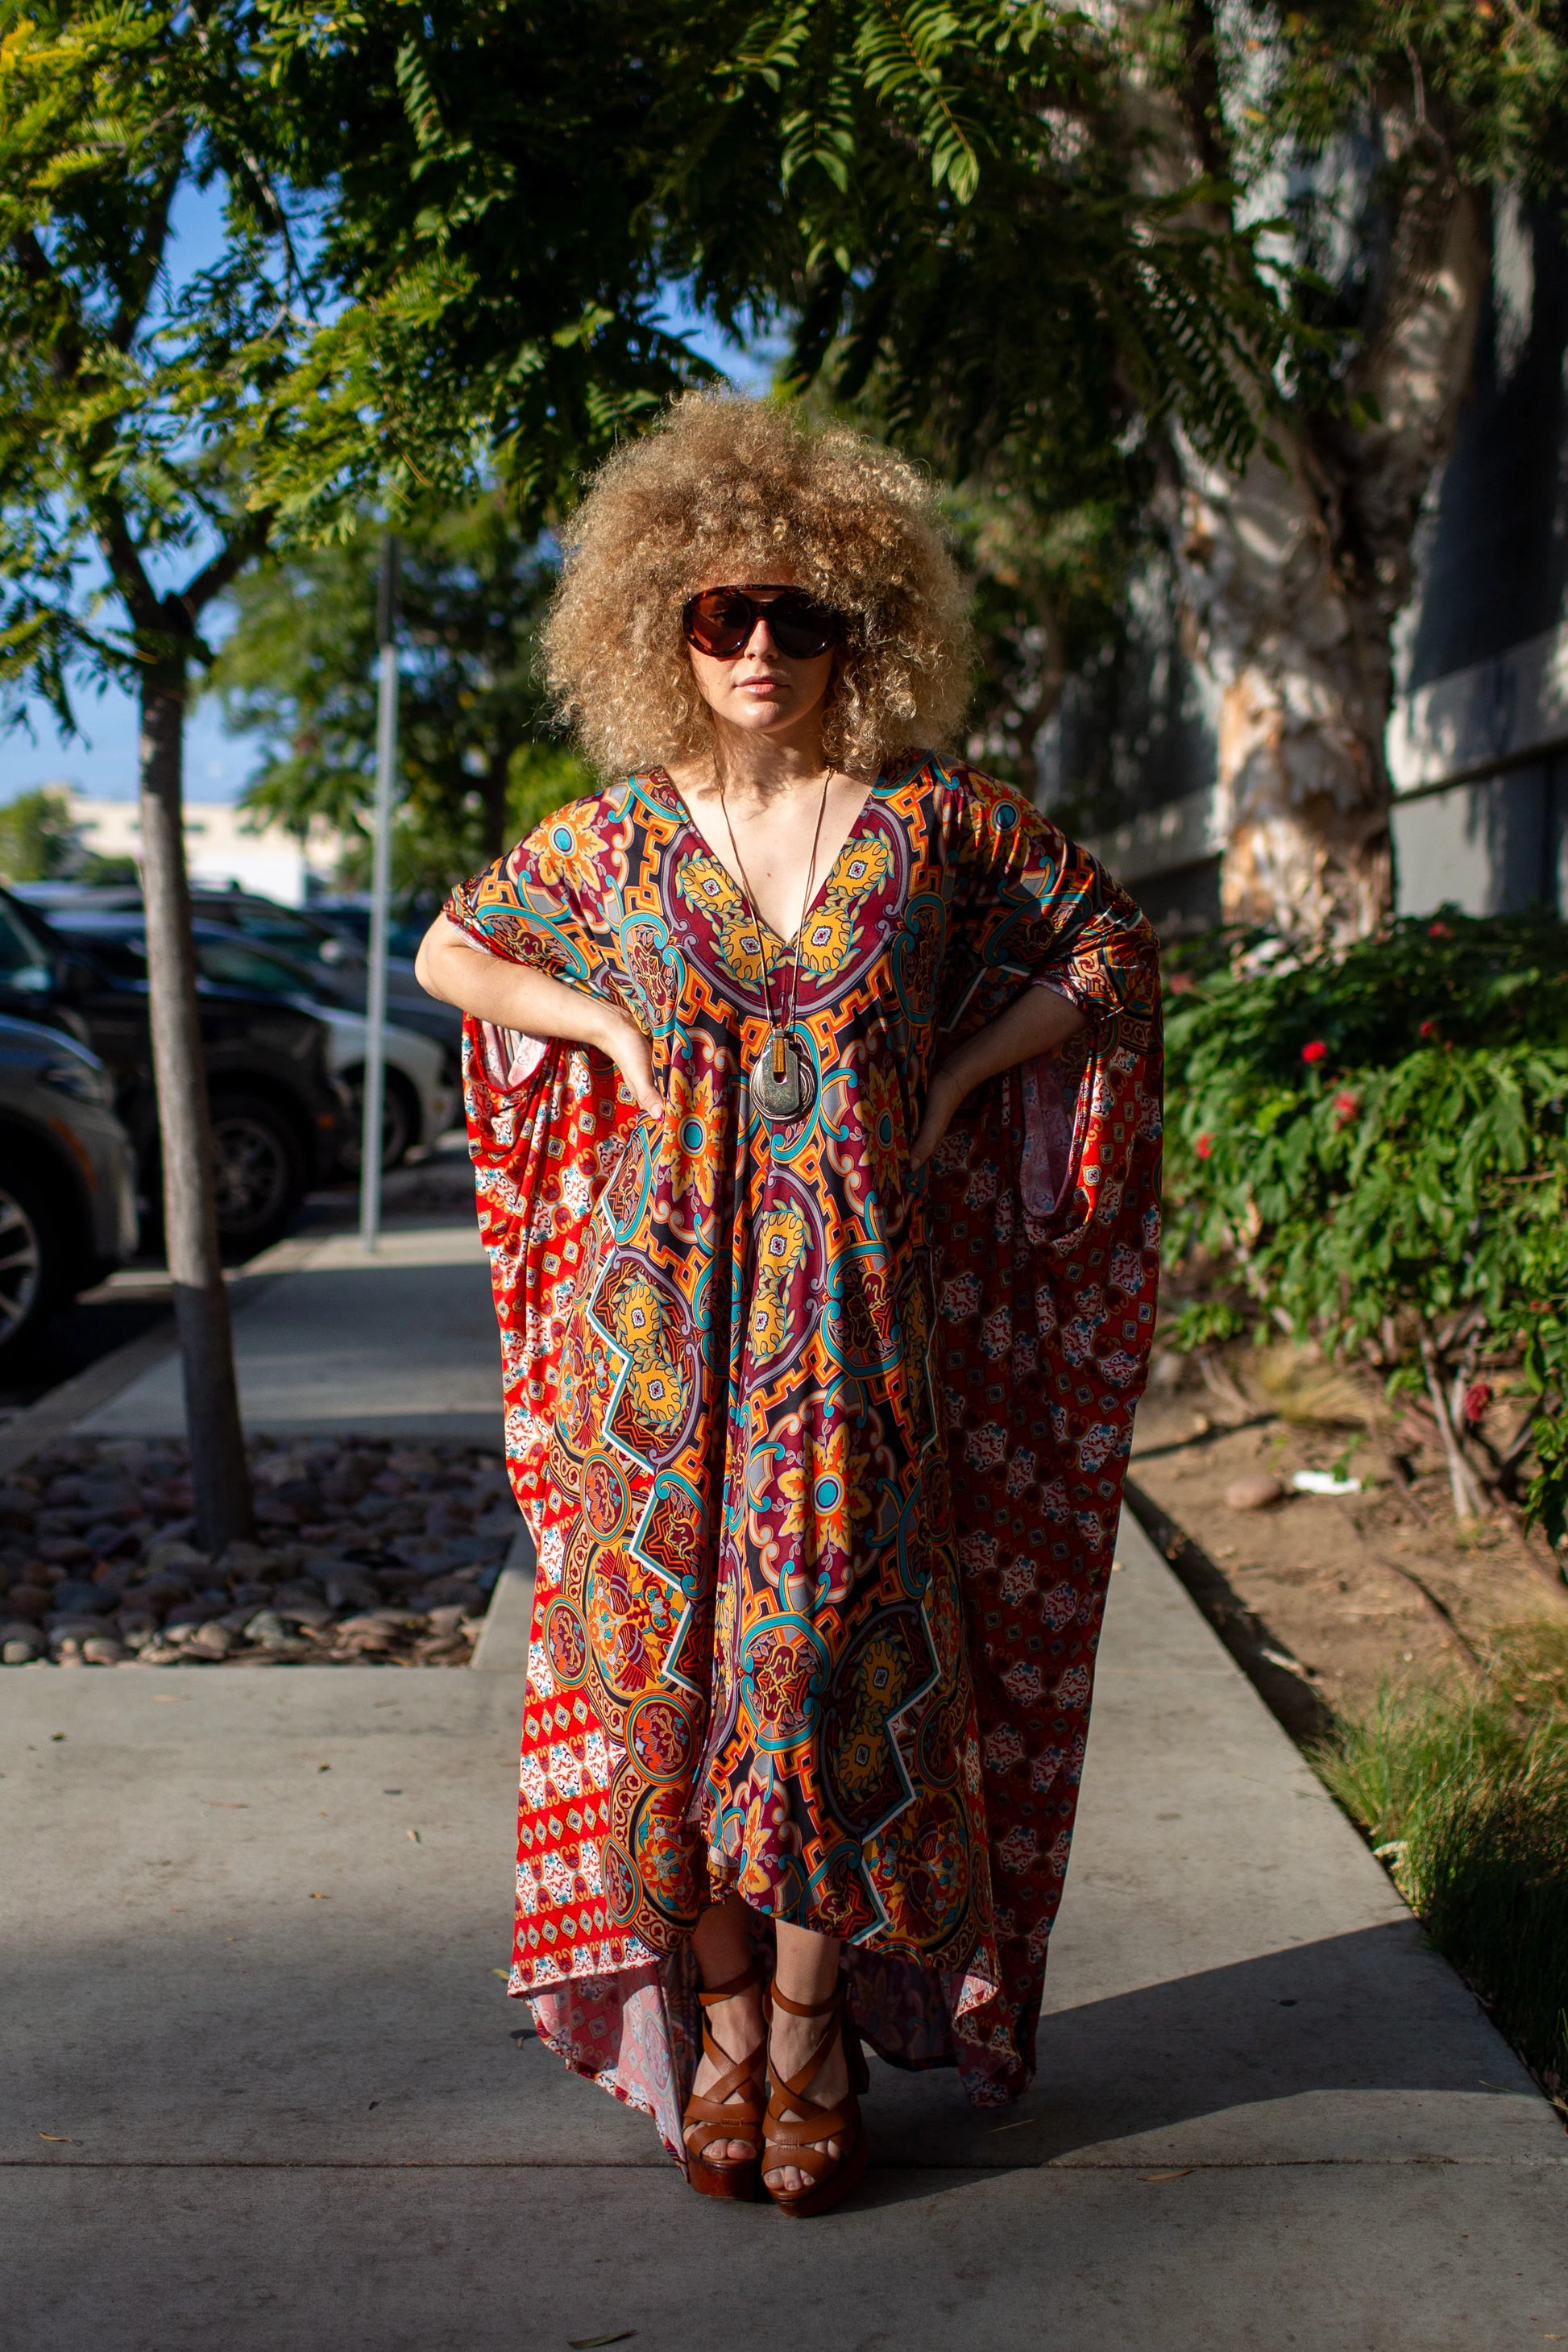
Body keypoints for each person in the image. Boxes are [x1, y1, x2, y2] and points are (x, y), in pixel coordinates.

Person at [416, 392, 1162, 2217]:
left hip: (855, 1327)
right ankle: (729, 2026)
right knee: (663, 1690)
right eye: (722, 613)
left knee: (827, 1673)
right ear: (660, 625)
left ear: (858, 628)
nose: (759, 647)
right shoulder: (613, 843)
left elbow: (1108, 950)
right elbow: (449, 947)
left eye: (798, 615)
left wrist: (961, 1073)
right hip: (655, 1330)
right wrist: (604, 1028)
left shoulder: (928, 825)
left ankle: (815, 2036)